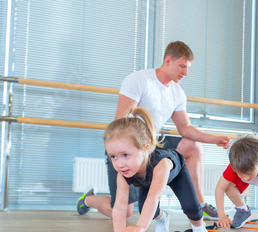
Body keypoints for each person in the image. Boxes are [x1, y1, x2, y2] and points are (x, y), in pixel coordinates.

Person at [77, 41, 231, 220]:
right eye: (182, 66)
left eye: (188, 68)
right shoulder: (139, 80)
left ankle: (200, 204)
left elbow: (186, 129)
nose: (186, 73)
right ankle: (88, 199)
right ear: (168, 61)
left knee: (193, 146)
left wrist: (215, 139)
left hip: (151, 144)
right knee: (123, 212)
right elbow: (120, 121)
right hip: (128, 146)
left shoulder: (178, 93)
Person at [100, 107, 212, 232]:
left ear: (146, 149)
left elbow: (154, 196)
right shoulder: (123, 173)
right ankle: (163, 217)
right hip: (148, 178)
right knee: (145, 211)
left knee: (191, 207)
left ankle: (199, 227)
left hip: (176, 173)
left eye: (125, 155)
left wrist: (140, 227)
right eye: (113, 157)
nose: (119, 164)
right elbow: (120, 206)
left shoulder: (161, 164)